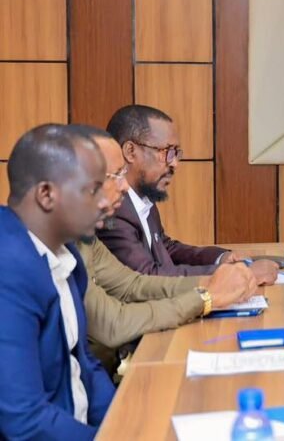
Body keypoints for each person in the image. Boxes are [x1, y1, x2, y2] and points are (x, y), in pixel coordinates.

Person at [72, 125, 257, 375]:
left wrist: (212, 281)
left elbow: (133, 284)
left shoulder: (85, 239)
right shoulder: (51, 247)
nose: (123, 186)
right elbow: (114, 323)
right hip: (100, 373)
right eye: (114, 176)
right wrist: (205, 297)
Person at [0, 124, 116, 438]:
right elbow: (24, 421)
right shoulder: (8, 268)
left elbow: (83, 364)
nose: (105, 202)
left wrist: (129, 423)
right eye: (93, 190)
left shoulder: (67, 257)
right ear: (46, 194)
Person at [97, 105, 277, 283]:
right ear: (130, 151)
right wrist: (237, 274)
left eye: (176, 153)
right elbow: (148, 277)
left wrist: (220, 258)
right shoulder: (114, 211)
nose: (174, 163)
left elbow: (166, 249)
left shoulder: (141, 199)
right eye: (167, 152)